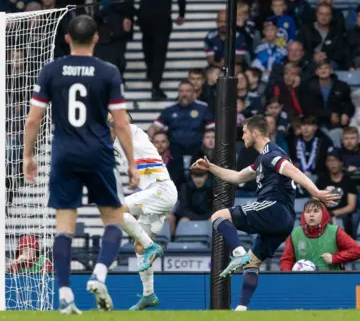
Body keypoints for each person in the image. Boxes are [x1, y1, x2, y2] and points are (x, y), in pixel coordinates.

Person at [23, 15, 138, 314]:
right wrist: (132, 164)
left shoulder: (52, 70)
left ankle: (64, 295)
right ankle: (99, 274)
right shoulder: (108, 72)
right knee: (114, 220)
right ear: (97, 38)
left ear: (67, 39)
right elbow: (122, 124)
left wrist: (28, 155)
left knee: (64, 227)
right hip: (98, 152)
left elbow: (34, 118)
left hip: (63, 153)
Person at [191, 115, 339, 311]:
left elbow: (292, 170)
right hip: (284, 221)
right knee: (252, 263)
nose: (242, 136)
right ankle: (241, 309)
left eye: (244, 132)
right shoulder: (262, 159)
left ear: (255, 133)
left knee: (217, 217)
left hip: (273, 207)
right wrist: (210, 167)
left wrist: (316, 192)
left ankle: (237, 253)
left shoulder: (272, 154)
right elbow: (236, 177)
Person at [108, 113, 177, 311]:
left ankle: (151, 246)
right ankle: (149, 295)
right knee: (138, 246)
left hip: (161, 189)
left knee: (115, 211)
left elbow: (114, 121)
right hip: (154, 193)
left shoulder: (132, 131)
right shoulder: (117, 143)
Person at [280, 199, 360, 271]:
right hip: (303, 282)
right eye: (307, 211)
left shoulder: (335, 231)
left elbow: (357, 250)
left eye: (315, 211)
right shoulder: (295, 233)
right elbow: (286, 260)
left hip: (332, 281)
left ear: (323, 214)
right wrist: (289, 278)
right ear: (303, 215)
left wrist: (334, 258)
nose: (311, 215)